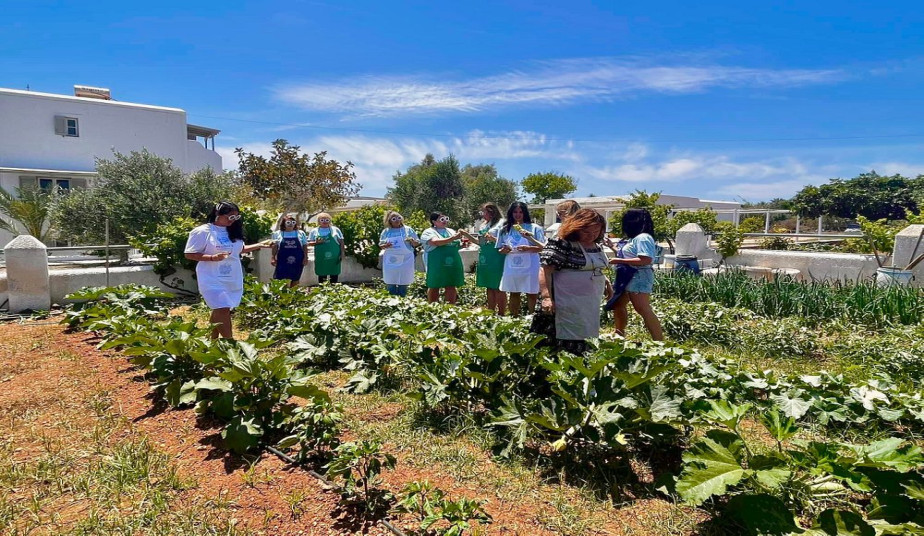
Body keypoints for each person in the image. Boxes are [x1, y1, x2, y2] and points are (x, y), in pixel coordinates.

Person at [184, 201, 272, 339]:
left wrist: (260, 245)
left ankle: (211, 341)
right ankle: (230, 344)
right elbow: (189, 254)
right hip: (211, 277)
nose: (233, 220)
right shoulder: (202, 232)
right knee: (222, 308)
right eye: (230, 217)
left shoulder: (233, 231)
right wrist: (212, 257)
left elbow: (239, 249)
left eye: (236, 217)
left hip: (232, 277)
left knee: (220, 309)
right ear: (218, 214)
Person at [538, 209, 614, 355]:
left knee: (587, 332)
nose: (591, 236)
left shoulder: (596, 245)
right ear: (576, 228)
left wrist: (606, 282)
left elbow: (593, 268)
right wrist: (547, 297)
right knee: (566, 336)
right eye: (587, 232)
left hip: (588, 303)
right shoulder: (562, 243)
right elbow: (545, 269)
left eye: (596, 232)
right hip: (566, 300)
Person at [606, 208, 664, 341]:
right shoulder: (636, 238)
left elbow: (645, 259)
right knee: (618, 304)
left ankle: (659, 341)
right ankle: (619, 333)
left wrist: (619, 261)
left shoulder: (643, 238)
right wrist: (612, 247)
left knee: (643, 308)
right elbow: (629, 255)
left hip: (638, 276)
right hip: (629, 276)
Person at [496, 202, 545, 316]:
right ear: (510, 213)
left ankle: (532, 318)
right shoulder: (504, 230)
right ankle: (514, 318)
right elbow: (499, 249)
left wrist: (528, 248)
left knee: (532, 293)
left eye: (520, 212)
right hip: (512, 266)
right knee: (514, 291)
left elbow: (543, 247)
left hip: (531, 265)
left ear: (525, 213)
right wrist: (504, 250)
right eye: (515, 212)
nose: (518, 215)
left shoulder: (534, 228)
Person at [420, 212, 468, 304]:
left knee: (451, 285)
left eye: (446, 219)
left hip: (451, 262)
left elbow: (455, 244)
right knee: (434, 285)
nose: (445, 221)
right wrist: (452, 238)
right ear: (434, 221)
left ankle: (450, 308)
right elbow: (435, 242)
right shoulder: (428, 232)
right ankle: (433, 307)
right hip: (435, 263)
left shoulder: (451, 231)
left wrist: (462, 245)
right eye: (442, 219)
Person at [379, 210, 420, 296]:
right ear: (389, 221)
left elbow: (417, 243)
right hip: (391, 259)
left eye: (399, 218)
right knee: (391, 281)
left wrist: (412, 241)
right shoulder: (386, 231)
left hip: (406, 259)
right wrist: (386, 245)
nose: (397, 220)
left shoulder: (408, 230)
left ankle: (403, 300)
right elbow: (381, 245)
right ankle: (391, 301)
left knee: (404, 281)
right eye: (394, 219)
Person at [475, 202, 506, 315]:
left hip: (497, 256)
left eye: (484, 212)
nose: (483, 214)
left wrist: (492, 238)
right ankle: (491, 311)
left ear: (492, 212)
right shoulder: (483, 225)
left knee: (498, 286)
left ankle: (502, 313)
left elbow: (506, 240)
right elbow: (480, 242)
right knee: (489, 286)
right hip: (485, 255)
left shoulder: (502, 223)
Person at [270, 213, 309, 287]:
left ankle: (294, 296)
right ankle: (283, 296)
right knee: (281, 279)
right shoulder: (277, 234)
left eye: (293, 222)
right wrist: (273, 257)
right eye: (288, 222)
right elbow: (275, 246)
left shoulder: (301, 233)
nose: (291, 224)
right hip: (282, 260)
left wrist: (305, 257)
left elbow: (304, 246)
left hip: (297, 260)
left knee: (295, 278)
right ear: (283, 223)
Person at [308, 212, 345, 284]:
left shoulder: (335, 230)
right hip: (321, 257)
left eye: (327, 220)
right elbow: (309, 243)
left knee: (334, 274)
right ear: (318, 221)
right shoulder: (314, 231)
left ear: (330, 220)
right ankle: (323, 292)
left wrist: (342, 253)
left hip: (334, 257)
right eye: (322, 220)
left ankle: (333, 292)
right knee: (322, 275)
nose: (324, 221)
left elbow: (341, 242)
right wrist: (317, 243)